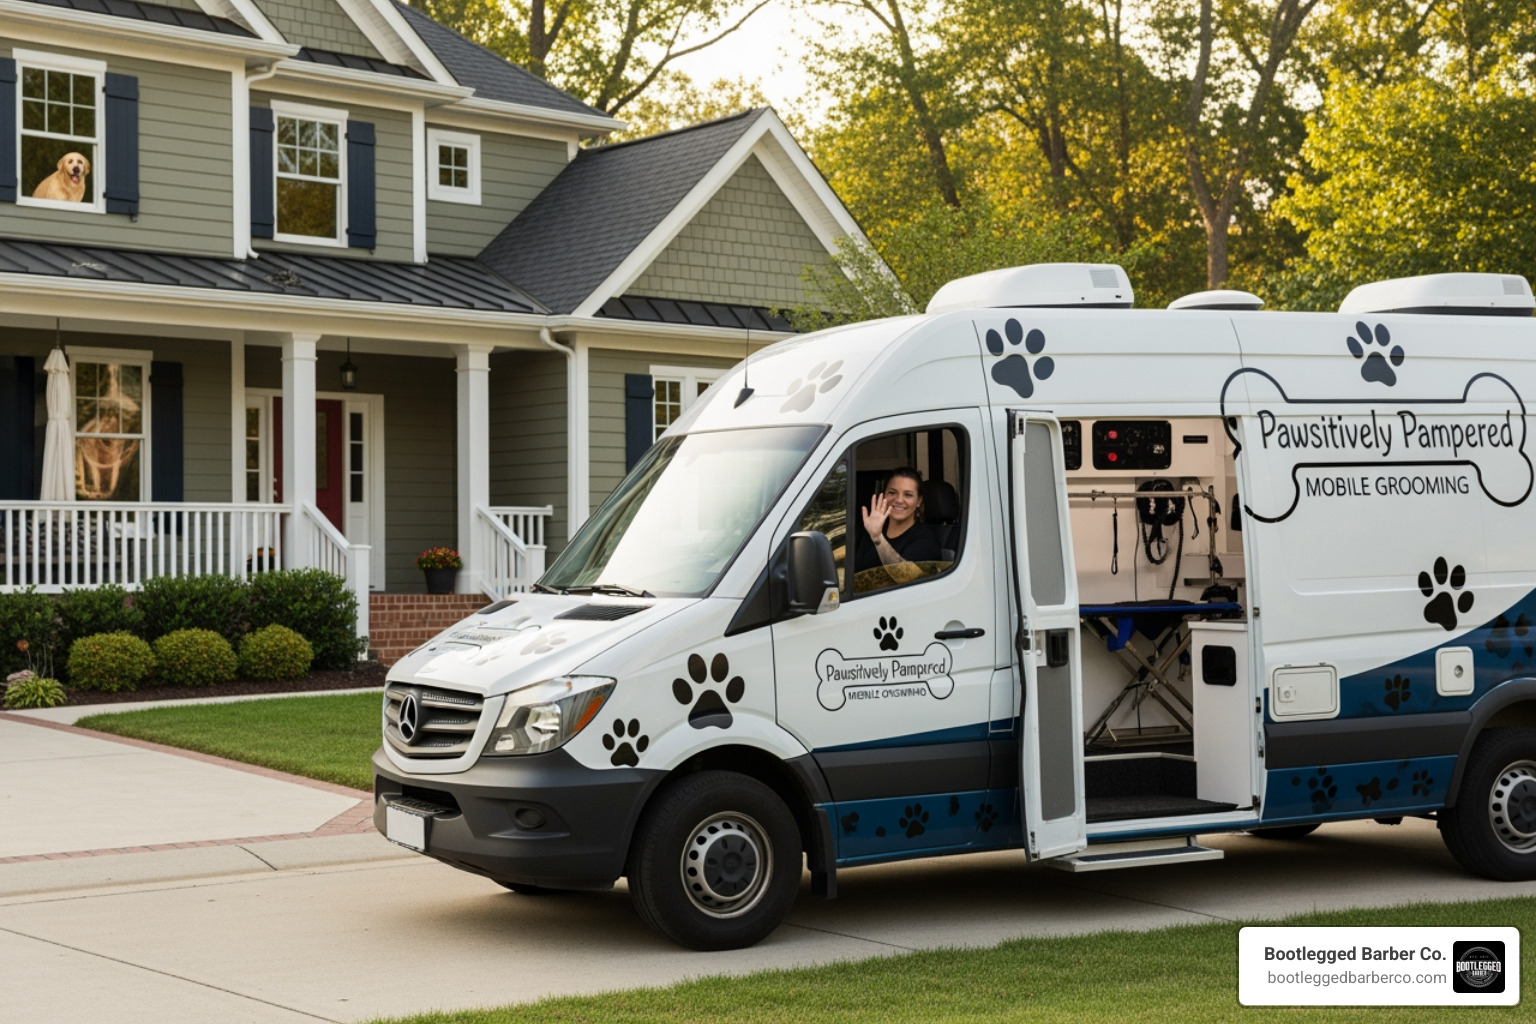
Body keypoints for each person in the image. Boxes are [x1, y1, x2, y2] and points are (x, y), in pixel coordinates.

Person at [855, 467, 941, 587]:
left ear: (919, 501)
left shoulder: (926, 539)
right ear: (884, 495)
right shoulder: (869, 531)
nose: (899, 500)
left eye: (908, 495)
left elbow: (907, 577)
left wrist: (878, 537)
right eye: (892, 493)